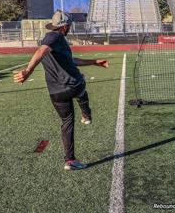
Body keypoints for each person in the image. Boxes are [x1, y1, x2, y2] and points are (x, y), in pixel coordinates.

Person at [13, 10, 109, 170]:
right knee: (81, 85)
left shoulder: (54, 43)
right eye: (69, 25)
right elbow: (40, 52)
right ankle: (86, 114)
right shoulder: (55, 37)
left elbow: (71, 61)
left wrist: (94, 61)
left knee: (67, 123)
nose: (70, 27)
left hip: (56, 93)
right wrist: (28, 71)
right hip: (72, 86)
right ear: (65, 27)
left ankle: (70, 161)